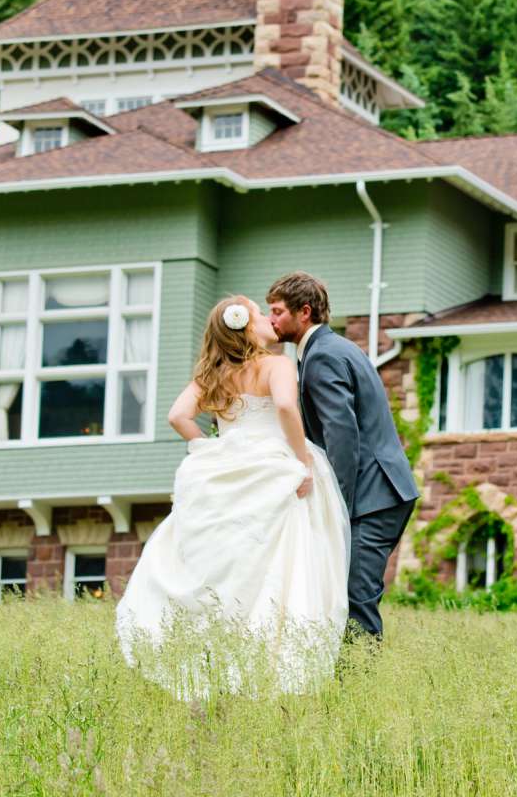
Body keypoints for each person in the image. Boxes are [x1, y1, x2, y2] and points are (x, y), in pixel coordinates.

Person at [115, 295, 349, 697]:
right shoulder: (277, 364)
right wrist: (303, 462)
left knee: (230, 564)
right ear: (245, 326)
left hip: (228, 468)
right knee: (284, 563)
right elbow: (286, 409)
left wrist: (211, 447)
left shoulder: (215, 373)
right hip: (274, 466)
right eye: (260, 313)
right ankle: (278, 666)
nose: (267, 319)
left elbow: (178, 416)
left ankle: (218, 659)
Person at [264, 272, 420, 643]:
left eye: (277, 311)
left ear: (304, 312)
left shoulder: (322, 357)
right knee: (347, 594)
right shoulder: (332, 349)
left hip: (372, 495)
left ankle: (358, 688)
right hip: (379, 491)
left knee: (356, 597)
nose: (271, 320)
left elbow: (342, 437)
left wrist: (336, 509)